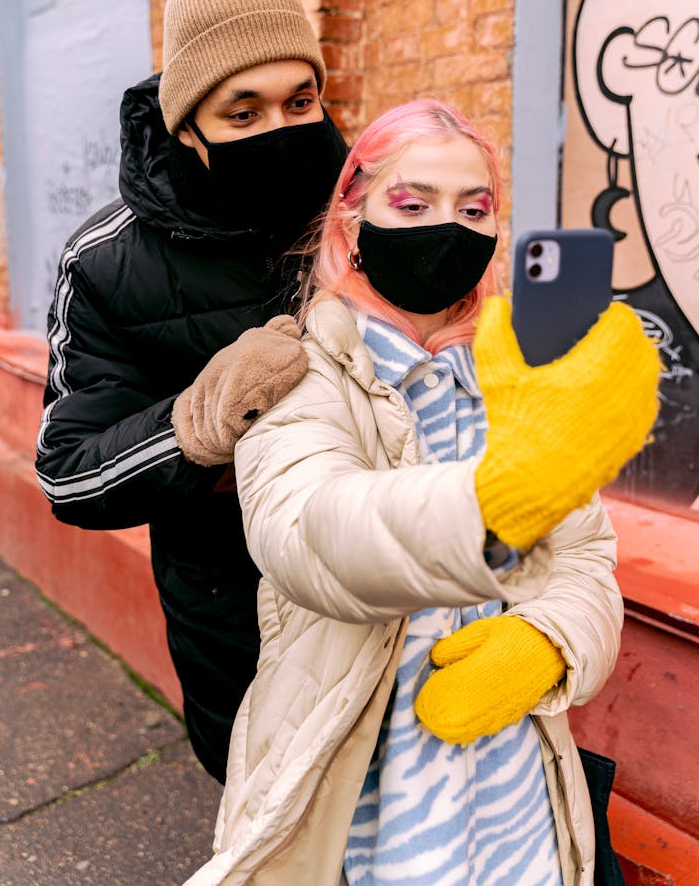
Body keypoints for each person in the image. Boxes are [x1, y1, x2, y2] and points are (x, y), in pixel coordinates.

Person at [183, 99, 661, 885]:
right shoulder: (300, 374)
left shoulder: (513, 376)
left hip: (519, 798)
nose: (449, 227)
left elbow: (585, 558)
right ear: (351, 221)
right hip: (363, 803)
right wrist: (492, 507)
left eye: (474, 208)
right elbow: (308, 534)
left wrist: (547, 642)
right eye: (413, 204)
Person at [34, 0, 348, 784]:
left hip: (383, 596)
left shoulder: (371, 212)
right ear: (186, 127)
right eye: (242, 112)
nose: (281, 129)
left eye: (300, 100)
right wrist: (195, 426)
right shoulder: (104, 263)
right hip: (235, 624)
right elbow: (68, 475)